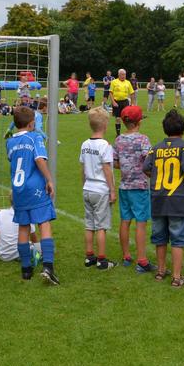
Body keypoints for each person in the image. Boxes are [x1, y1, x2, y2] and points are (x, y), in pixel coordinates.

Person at [143, 110, 184, 288]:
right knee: (178, 238)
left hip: (158, 197)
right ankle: (176, 277)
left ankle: (160, 271)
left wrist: (157, 176)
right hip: (178, 199)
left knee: (160, 237)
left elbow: (146, 168)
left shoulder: (155, 148)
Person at [6, 106, 59, 284]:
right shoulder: (35, 136)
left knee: (23, 227)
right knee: (44, 223)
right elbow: (39, 159)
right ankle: (48, 266)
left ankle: (26, 269)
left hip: (18, 189)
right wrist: (49, 179)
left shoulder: (10, 142)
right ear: (31, 123)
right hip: (35, 188)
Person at [113, 105, 155, 272]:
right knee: (141, 223)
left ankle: (126, 255)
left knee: (125, 220)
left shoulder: (118, 140)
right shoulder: (143, 139)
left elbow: (115, 162)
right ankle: (142, 259)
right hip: (140, 187)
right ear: (139, 122)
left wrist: (125, 165)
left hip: (124, 186)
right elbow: (148, 161)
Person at [80, 107, 117, 270]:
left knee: (89, 224)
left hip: (88, 188)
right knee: (101, 225)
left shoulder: (85, 144)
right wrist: (113, 190)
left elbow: (82, 168)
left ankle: (89, 256)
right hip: (101, 189)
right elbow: (107, 169)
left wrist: (84, 184)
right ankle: (102, 260)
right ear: (105, 125)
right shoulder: (105, 146)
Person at [110, 69, 134, 137]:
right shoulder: (114, 82)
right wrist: (113, 102)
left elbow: (132, 93)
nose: (124, 76)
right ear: (119, 75)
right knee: (118, 119)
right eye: (122, 74)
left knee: (128, 118)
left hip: (125, 102)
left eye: (125, 74)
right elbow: (111, 93)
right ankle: (118, 134)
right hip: (116, 102)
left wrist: (132, 104)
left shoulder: (128, 82)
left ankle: (130, 132)